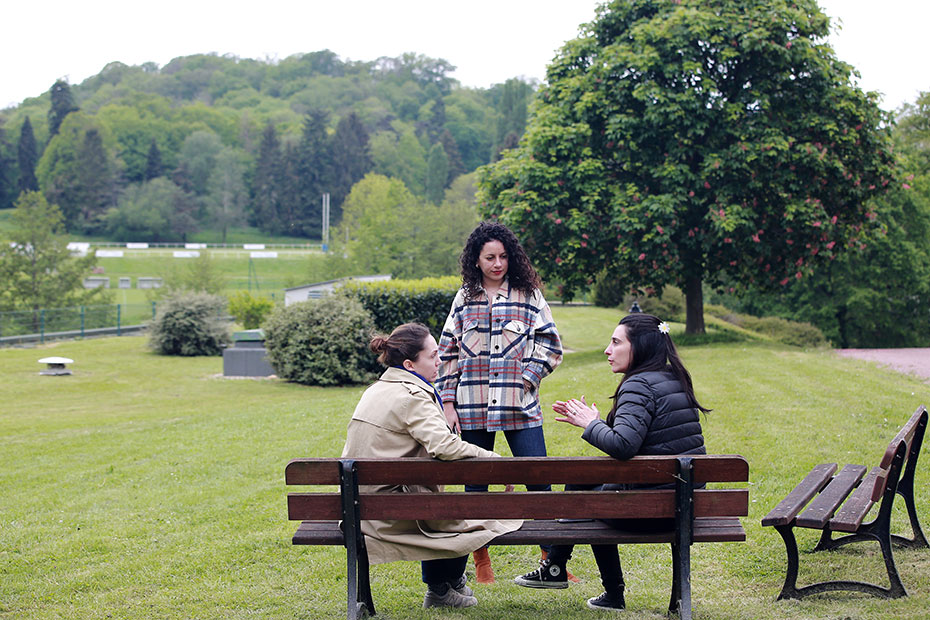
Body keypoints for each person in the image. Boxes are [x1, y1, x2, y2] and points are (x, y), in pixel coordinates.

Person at [513, 313, 710, 612]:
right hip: (683, 505)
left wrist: (590, 424)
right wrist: (601, 421)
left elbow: (623, 445)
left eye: (616, 342)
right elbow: (648, 433)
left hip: (651, 511)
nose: (608, 349)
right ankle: (557, 567)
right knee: (581, 482)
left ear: (640, 347)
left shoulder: (638, 384)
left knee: (591, 501)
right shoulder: (674, 377)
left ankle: (587, 582)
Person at [341, 323, 522, 609]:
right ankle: (441, 589)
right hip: (390, 514)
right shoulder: (411, 397)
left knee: (448, 508)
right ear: (410, 364)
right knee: (469, 516)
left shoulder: (377, 389)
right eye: (433, 356)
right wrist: (493, 459)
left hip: (359, 508)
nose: (440, 362)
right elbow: (445, 446)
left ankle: (449, 584)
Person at [437, 220, 563, 583]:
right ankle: (480, 564)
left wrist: (526, 379)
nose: (497, 264)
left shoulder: (530, 295)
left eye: (504, 256)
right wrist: (448, 404)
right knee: (475, 488)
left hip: (519, 408)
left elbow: (551, 345)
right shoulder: (464, 299)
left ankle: (552, 562)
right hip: (471, 408)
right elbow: (447, 352)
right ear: (475, 260)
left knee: (537, 480)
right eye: (489, 257)